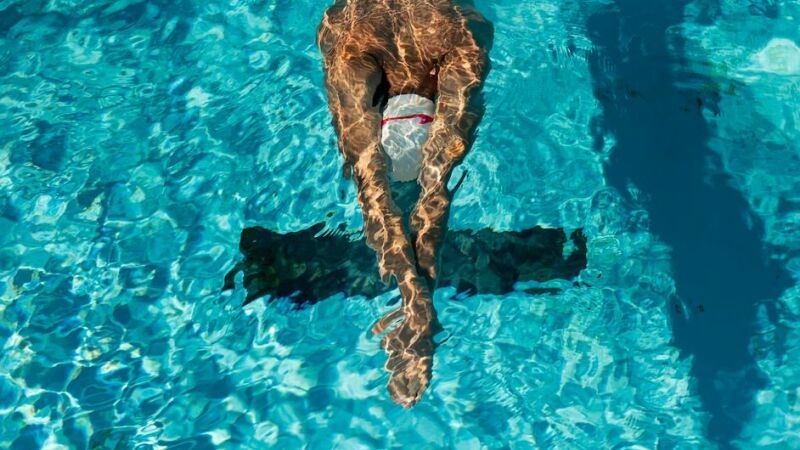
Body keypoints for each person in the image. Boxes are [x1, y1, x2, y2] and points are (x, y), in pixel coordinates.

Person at [316, 0, 488, 407]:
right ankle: (419, 307)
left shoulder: (344, 22)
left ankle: (415, 303)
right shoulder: (464, 24)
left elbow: (370, 171)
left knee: (370, 184)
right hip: (448, 29)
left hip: (360, 32)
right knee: (436, 181)